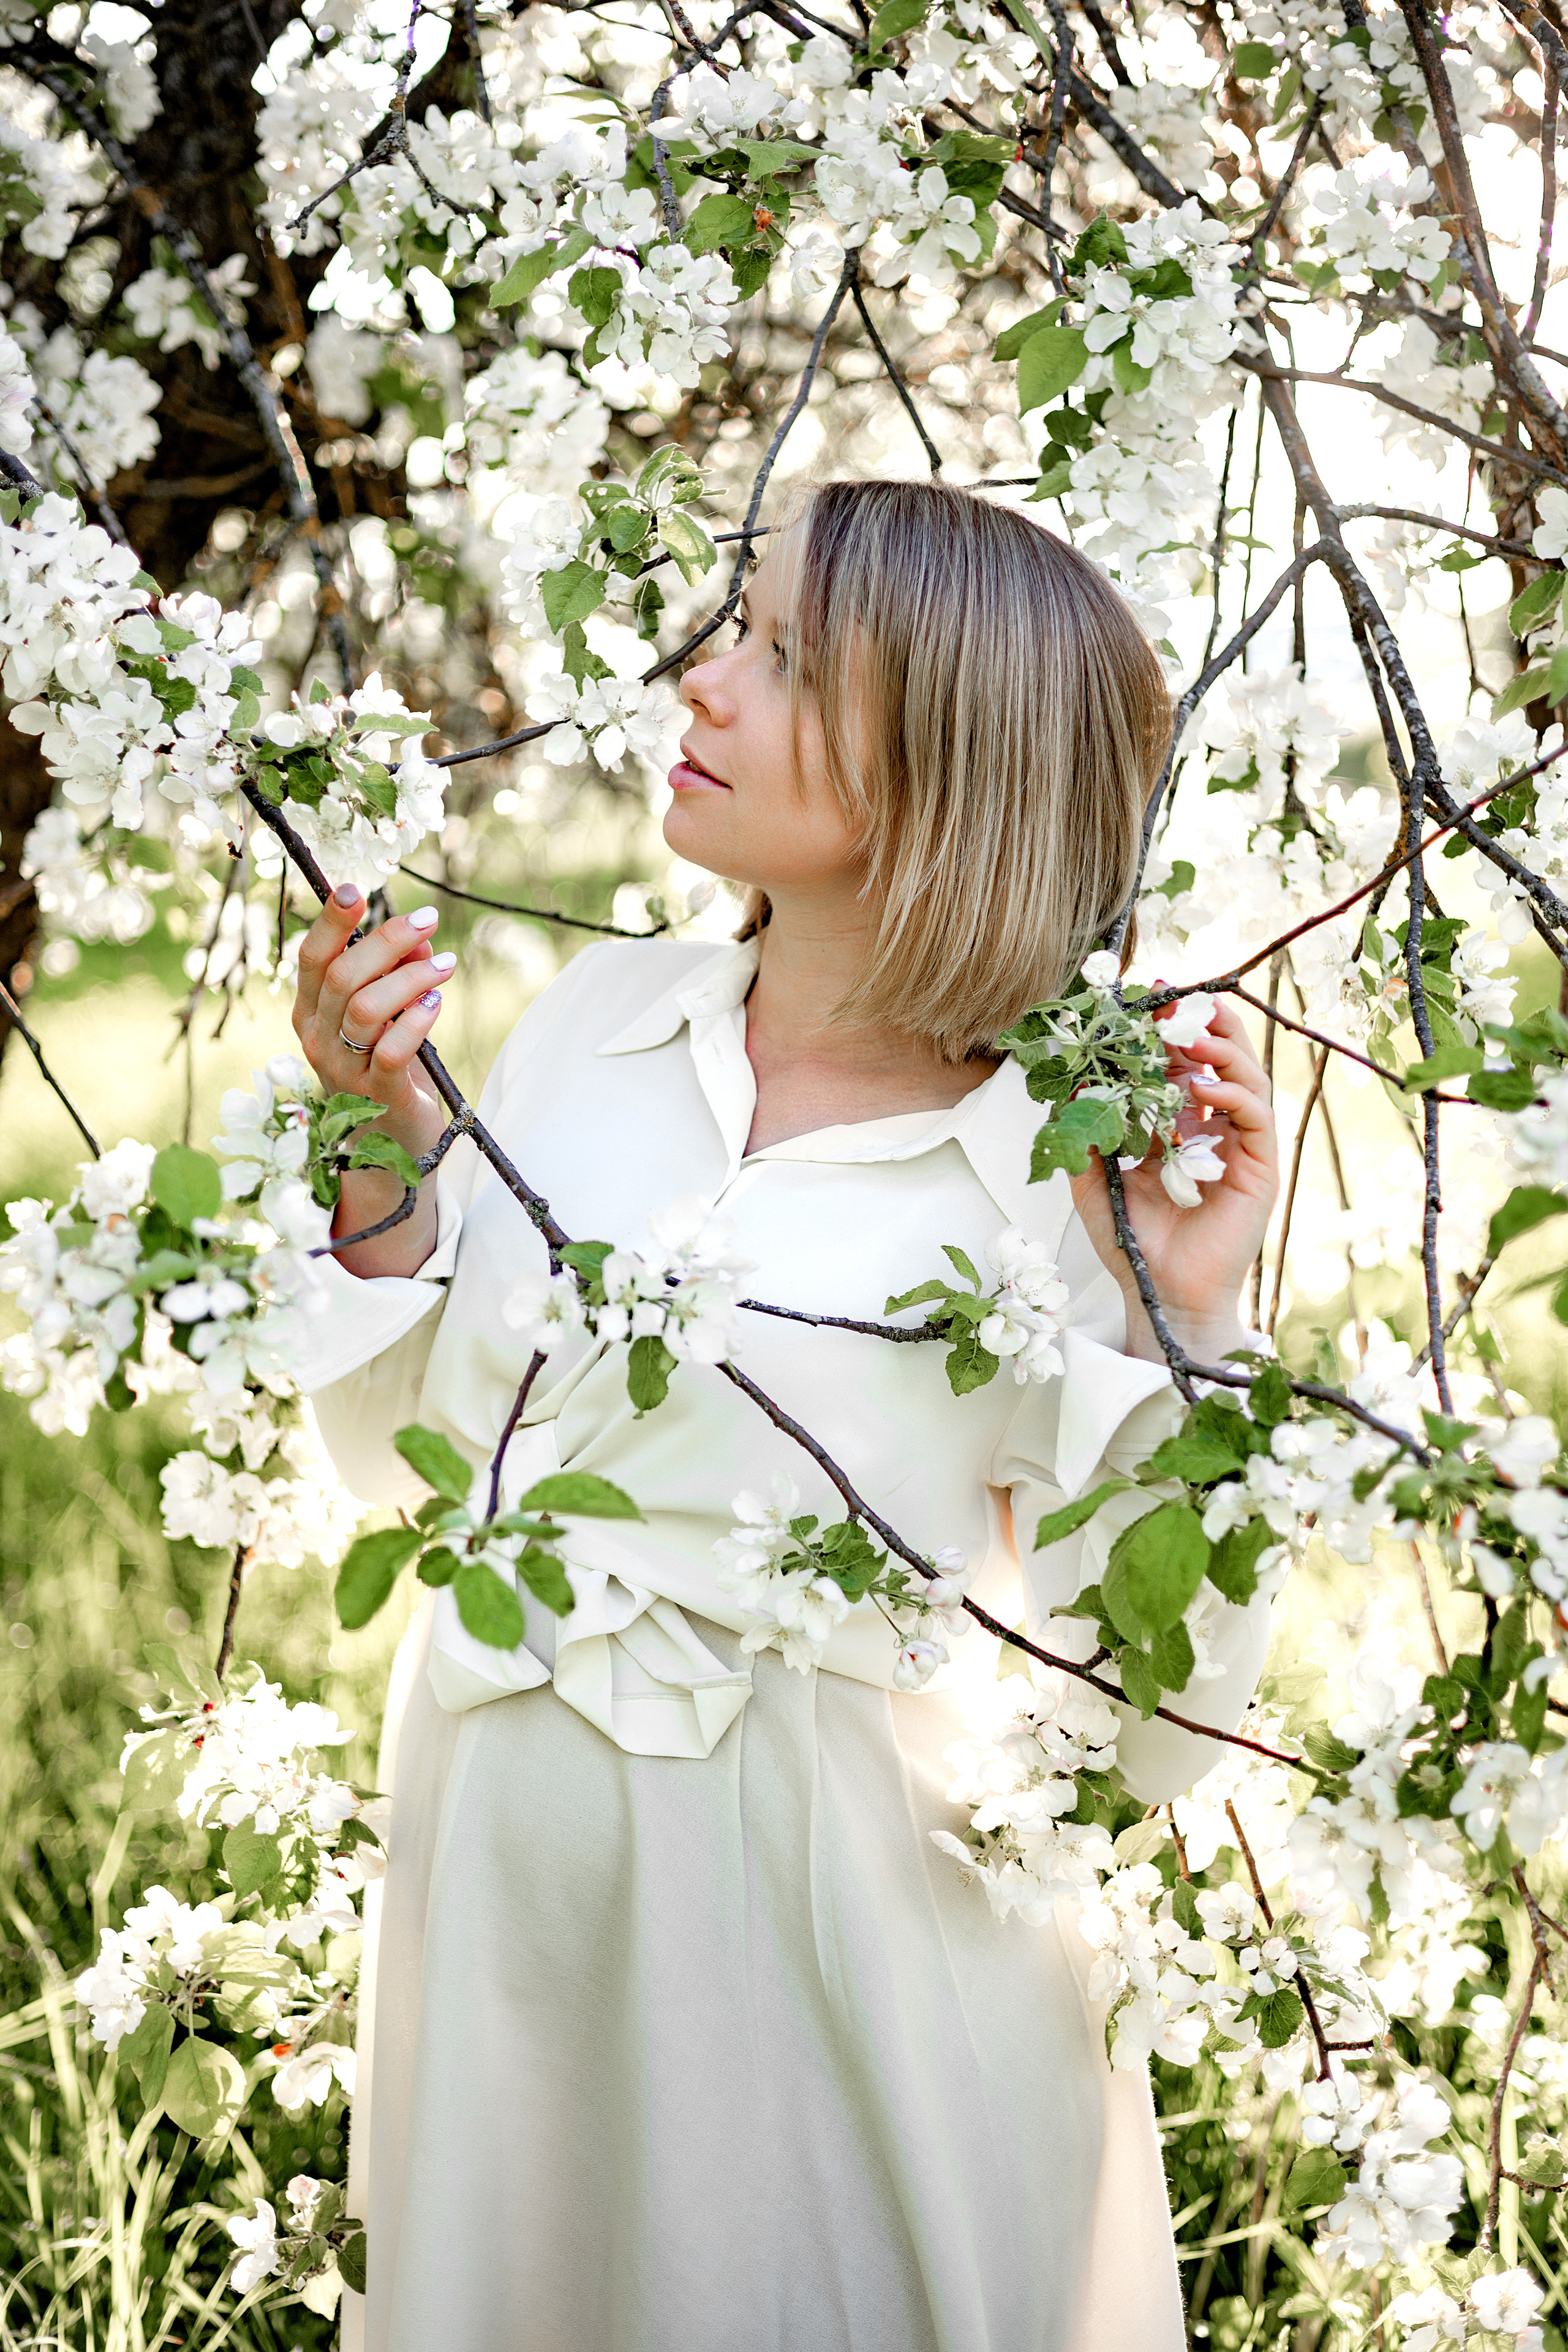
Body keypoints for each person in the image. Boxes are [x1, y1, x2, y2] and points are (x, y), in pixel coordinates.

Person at [287, 478, 1280, 2352]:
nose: (708, 685)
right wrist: (378, 1135)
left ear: (947, 759)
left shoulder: (1068, 1159)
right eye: (733, 630)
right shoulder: (600, 1019)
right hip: (510, 1948)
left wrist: (1187, 1319)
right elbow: (398, 1478)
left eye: (788, 660)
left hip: (850, 1994)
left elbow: (1151, 1744)